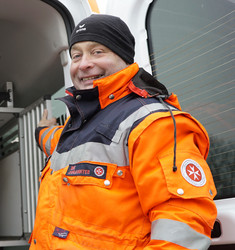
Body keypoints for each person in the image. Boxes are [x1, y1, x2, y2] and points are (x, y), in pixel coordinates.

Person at [29, 14, 217, 250]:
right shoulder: (77, 126)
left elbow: (183, 225)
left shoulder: (153, 124)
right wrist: (41, 130)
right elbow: (53, 142)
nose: (84, 63)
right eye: (76, 55)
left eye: (98, 52)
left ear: (125, 58)